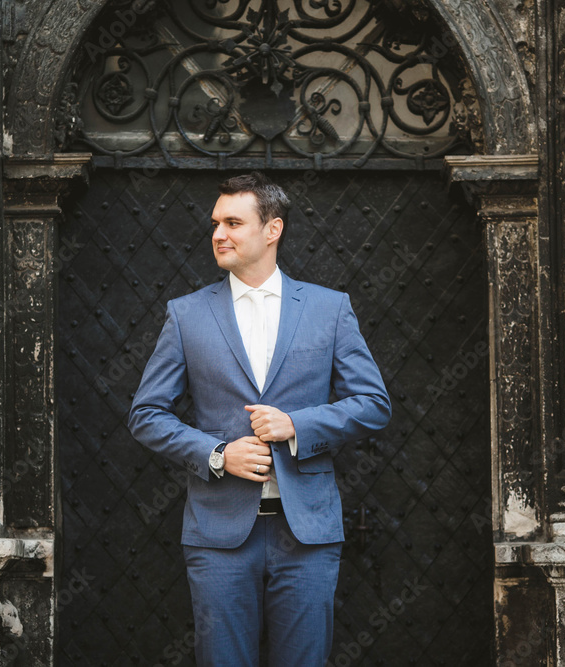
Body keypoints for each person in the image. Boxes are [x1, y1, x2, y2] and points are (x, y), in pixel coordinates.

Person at [127, 172, 391, 667]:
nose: (218, 234)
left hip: (307, 533)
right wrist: (217, 454)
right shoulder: (186, 315)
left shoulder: (329, 309)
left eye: (233, 223)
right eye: (215, 224)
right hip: (219, 535)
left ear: (273, 229)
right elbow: (146, 414)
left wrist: (298, 426)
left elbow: (374, 403)